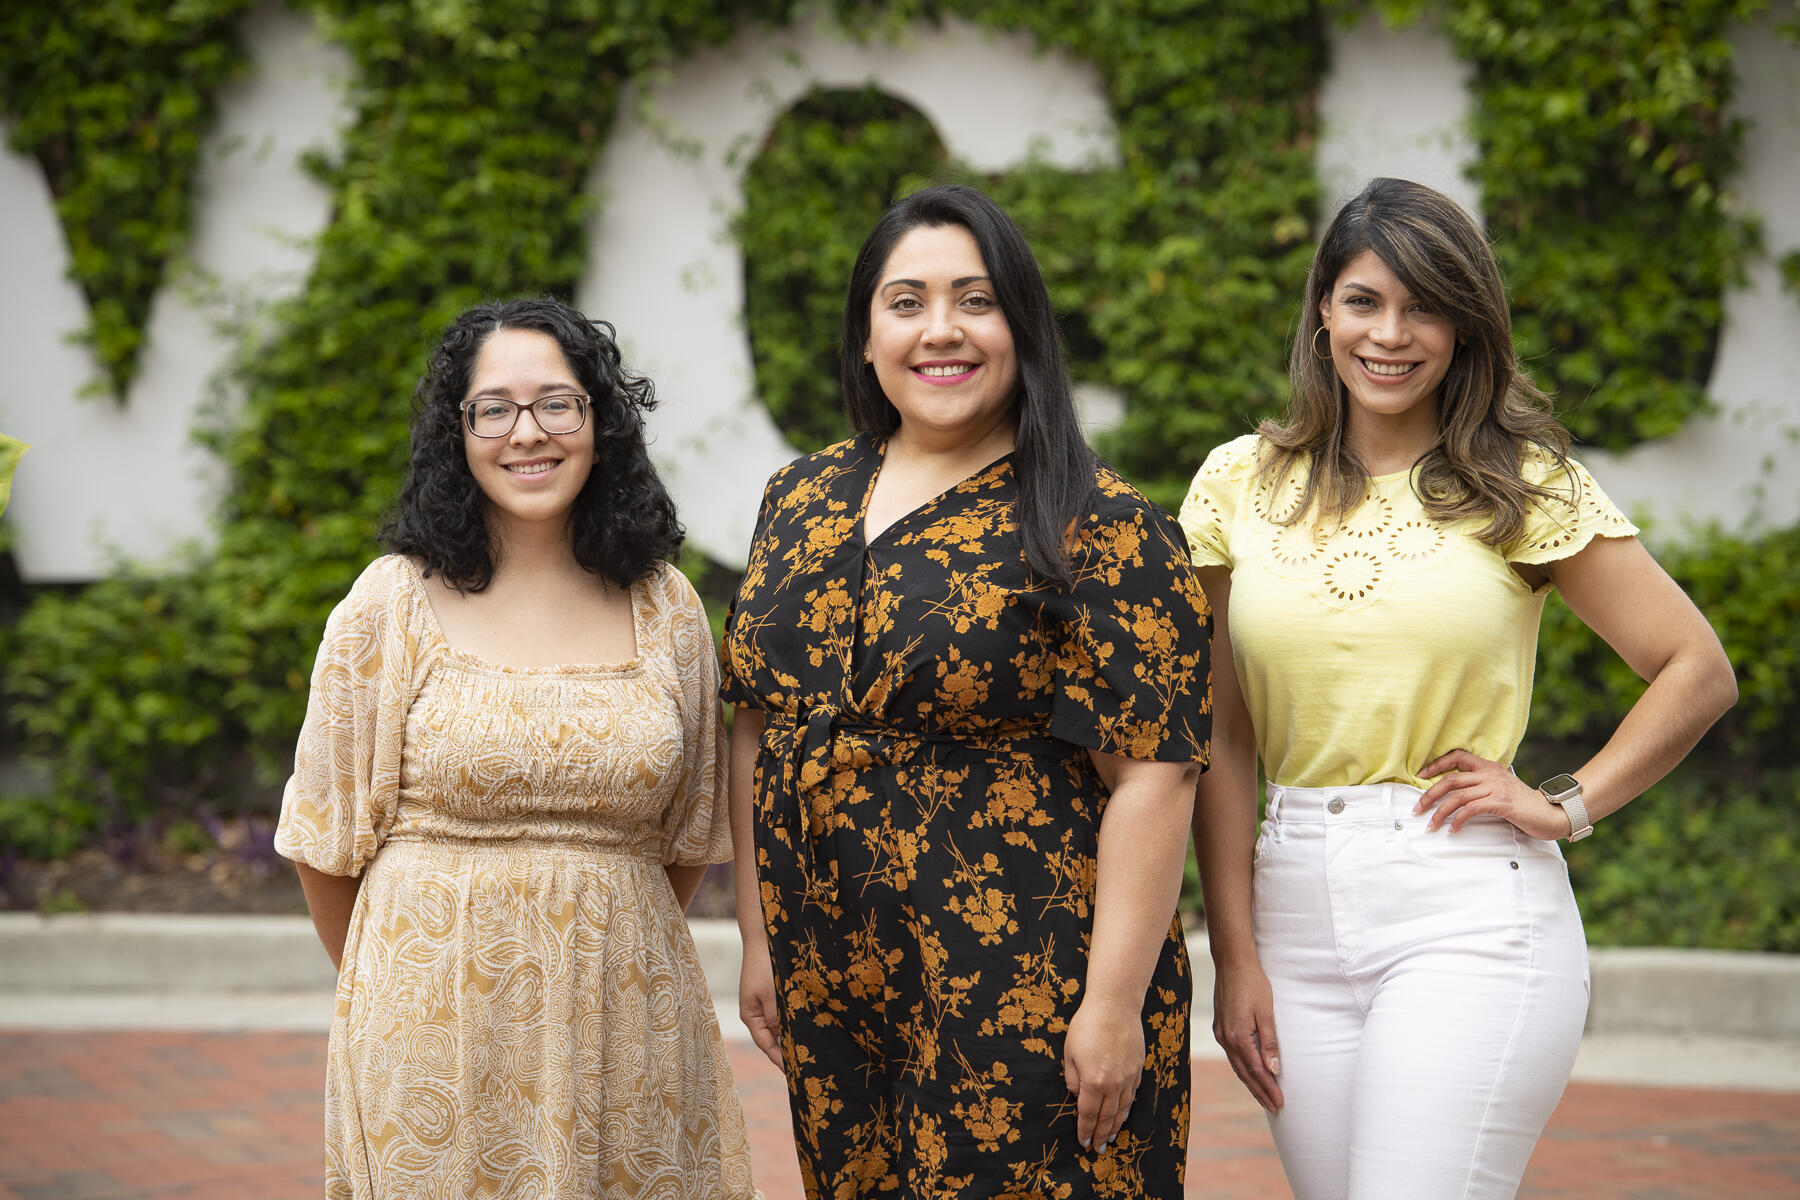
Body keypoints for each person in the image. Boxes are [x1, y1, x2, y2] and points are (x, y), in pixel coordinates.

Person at [1180, 177, 1738, 1199]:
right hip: (1291, 902)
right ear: (1323, 310)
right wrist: (1237, 956)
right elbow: (1219, 731)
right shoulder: (1236, 483)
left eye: (1425, 305)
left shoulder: (1519, 483)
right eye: (1364, 300)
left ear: (1466, 326)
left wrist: (1565, 804)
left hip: (1467, 911)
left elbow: (1696, 668)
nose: (1391, 334)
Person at [719, 183, 1211, 1197]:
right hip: (836, 972)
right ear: (864, 337)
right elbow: (759, 724)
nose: (940, 330)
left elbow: (1157, 775)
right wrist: (760, 939)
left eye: (974, 300)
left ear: (1022, 327)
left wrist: (1111, 1006)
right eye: (906, 302)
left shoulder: (1098, 523)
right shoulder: (800, 498)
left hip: (1026, 981)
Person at [275, 297, 758, 1199]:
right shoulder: (390, 604)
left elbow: (686, 840)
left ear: (600, 422)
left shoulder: (666, 608)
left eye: (556, 404)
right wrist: (414, 982)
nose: (526, 432)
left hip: (629, 1026)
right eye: (493, 407)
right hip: (434, 1041)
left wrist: (594, 909)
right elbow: (324, 844)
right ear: (457, 432)